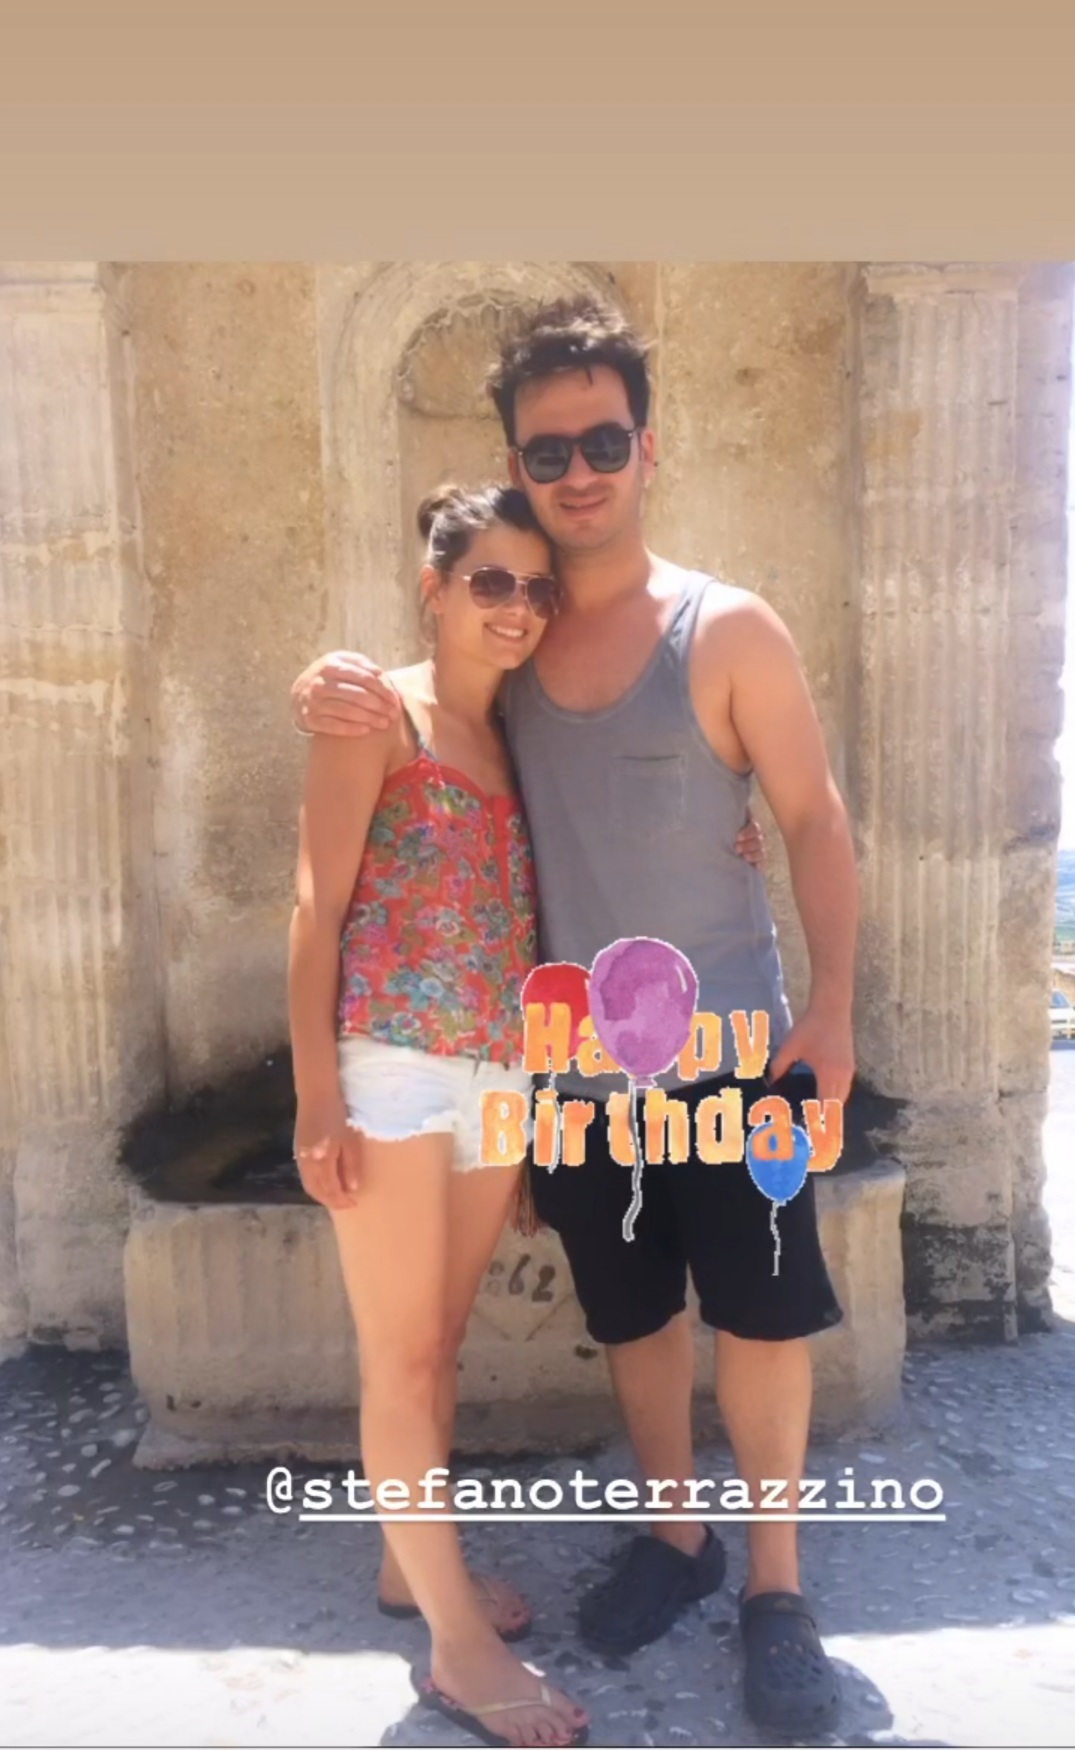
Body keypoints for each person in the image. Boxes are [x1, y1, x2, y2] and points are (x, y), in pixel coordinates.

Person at [289, 296, 859, 1740]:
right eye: (548, 450)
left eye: (604, 439)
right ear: (515, 467)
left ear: (646, 447)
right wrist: (332, 680)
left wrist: (833, 1015)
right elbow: (408, 732)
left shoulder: (726, 627)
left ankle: (776, 1591)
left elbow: (811, 818)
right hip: (566, 1072)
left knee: (761, 1311)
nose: (580, 468)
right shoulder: (511, 656)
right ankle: (674, 1533)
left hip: (732, 1053)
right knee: (634, 1313)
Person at [288, 483, 590, 1749]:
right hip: (393, 1072)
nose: (516, 607)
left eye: (536, 587)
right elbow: (316, 907)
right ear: (436, 588)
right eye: (490, 582)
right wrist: (315, 1094)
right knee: (403, 1357)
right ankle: (458, 1650)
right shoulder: (378, 713)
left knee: (443, 1339)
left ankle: (405, 1566)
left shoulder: (520, 735)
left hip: (499, 1079)